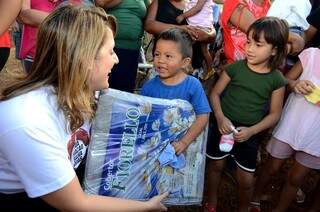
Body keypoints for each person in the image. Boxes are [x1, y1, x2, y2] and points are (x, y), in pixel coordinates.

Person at [0, 5, 167, 211]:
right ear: (85, 59)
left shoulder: (83, 89)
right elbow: (77, 204)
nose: (116, 59)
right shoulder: (28, 120)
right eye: (111, 51)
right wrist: (146, 206)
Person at [205, 17, 288, 212]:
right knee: (216, 167)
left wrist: (252, 131)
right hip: (222, 125)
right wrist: (219, 116)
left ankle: (244, 207)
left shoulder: (277, 79)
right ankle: (212, 201)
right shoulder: (234, 68)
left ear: (274, 49)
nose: (249, 48)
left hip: (250, 133)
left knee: (246, 179)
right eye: (249, 41)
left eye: (258, 44)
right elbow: (215, 93)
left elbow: (275, 114)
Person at [251, 46, 320, 212]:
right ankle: (254, 197)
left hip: (316, 136)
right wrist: (295, 84)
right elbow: (286, 79)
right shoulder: (312, 55)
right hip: (292, 124)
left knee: (296, 178)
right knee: (272, 166)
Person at [140, 28, 211, 155]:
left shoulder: (193, 85)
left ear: (185, 62)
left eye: (168, 56)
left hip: (184, 148)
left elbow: (203, 116)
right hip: (154, 149)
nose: (161, 60)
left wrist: (184, 142)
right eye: (157, 54)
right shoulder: (148, 87)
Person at [144, 0, 216, 79]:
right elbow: (149, 25)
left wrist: (207, 35)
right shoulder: (158, 2)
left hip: (191, 71)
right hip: (163, 66)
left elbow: (211, 32)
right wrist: (180, 29)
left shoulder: (194, 3)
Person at [95, 0, 150, 93]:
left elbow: (147, 15)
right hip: (111, 47)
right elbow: (100, 3)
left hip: (133, 50)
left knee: (125, 90)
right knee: (107, 90)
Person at [175, 0, 215, 80]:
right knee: (204, 50)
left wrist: (183, 16)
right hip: (202, 24)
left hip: (201, 25)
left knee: (189, 43)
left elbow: (198, 8)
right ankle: (210, 69)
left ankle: (189, 66)